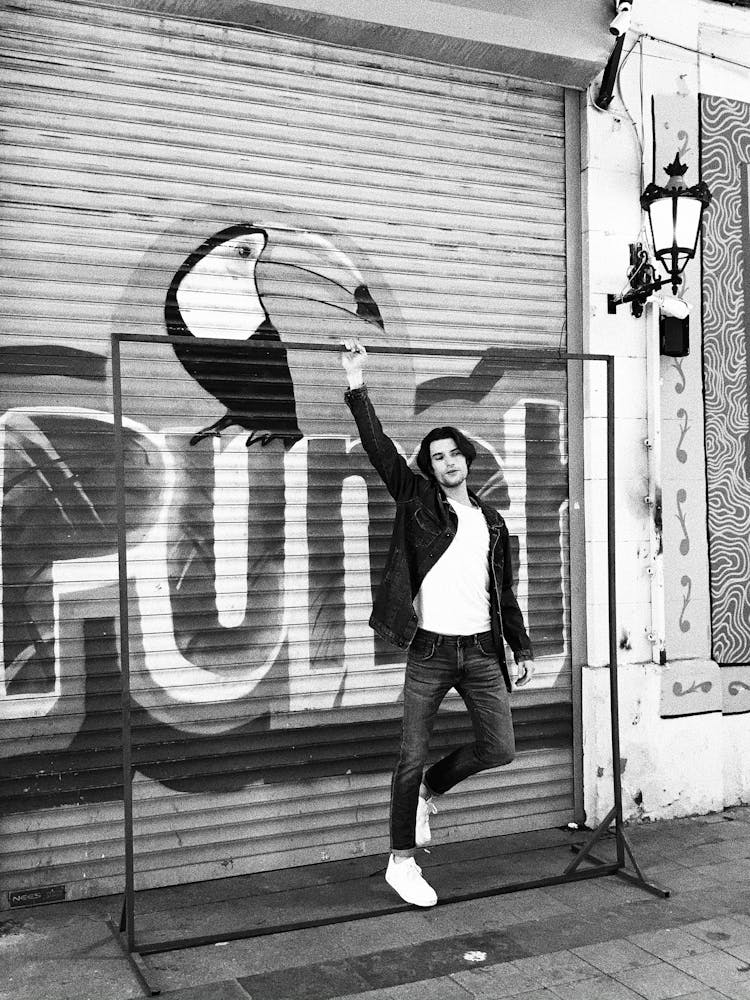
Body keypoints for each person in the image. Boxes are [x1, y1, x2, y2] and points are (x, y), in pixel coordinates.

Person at [341, 339, 535, 908]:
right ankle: (400, 861)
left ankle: (433, 789)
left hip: (480, 651)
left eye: (454, 454)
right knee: (409, 754)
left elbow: (504, 591)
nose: (446, 463)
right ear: (427, 468)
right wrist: (356, 383)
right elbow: (380, 450)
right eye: (436, 457)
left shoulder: (493, 522)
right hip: (428, 651)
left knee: (499, 748)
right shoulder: (417, 500)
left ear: (468, 459)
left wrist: (520, 649)